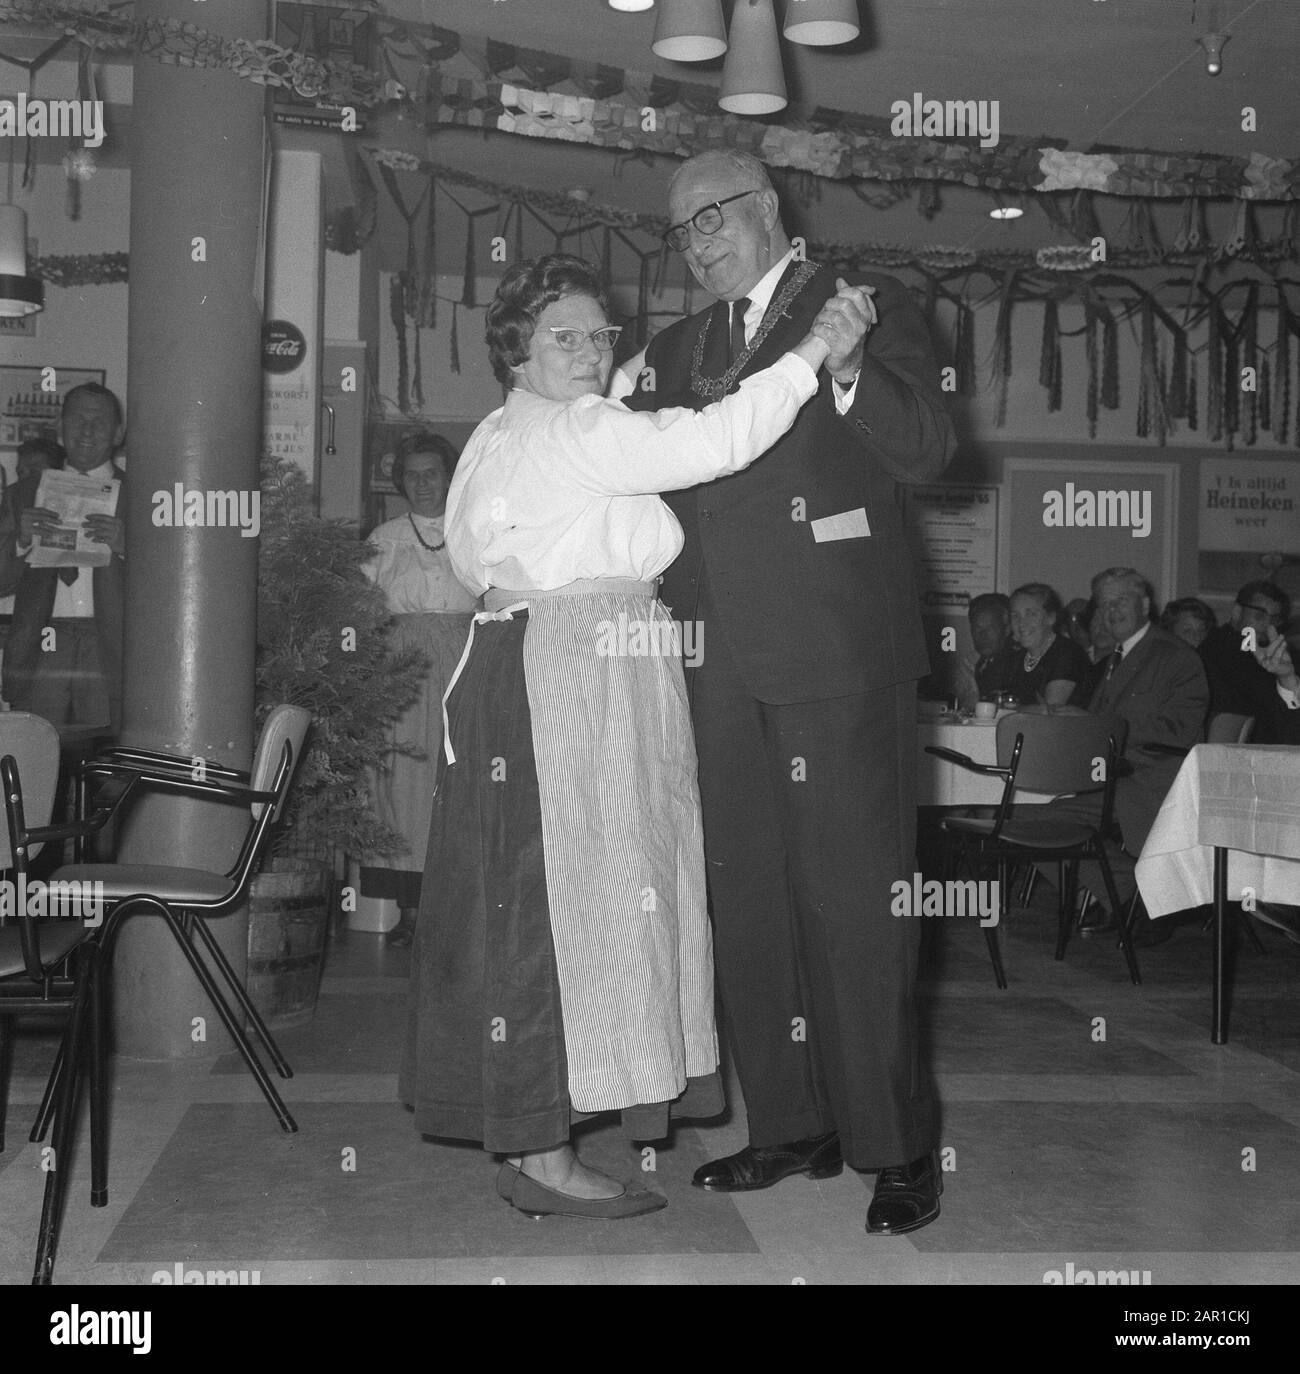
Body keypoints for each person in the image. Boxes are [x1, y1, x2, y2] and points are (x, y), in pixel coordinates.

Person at [399, 252, 855, 1220]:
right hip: (581, 673)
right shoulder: (578, 429)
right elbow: (715, 442)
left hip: (517, 667)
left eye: (596, 335)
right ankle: (546, 1158)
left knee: (526, 908)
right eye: (560, 334)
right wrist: (813, 349)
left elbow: (489, 548)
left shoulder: (491, 434)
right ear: (516, 348)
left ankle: (530, 1137)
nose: (586, 350)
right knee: (575, 907)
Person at [617, 150, 955, 1235]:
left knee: (857, 907)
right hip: (713, 663)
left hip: (837, 658)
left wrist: (850, 371)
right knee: (747, 904)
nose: (698, 242)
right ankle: (789, 1124)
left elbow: (931, 451)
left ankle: (894, 1145)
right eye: (681, 232)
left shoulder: (860, 306)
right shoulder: (670, 351)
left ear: (766, 209)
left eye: (712, 218)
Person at [361, 432, 477, 947]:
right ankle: (410, 912)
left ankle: (454, 912)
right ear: (399, 481)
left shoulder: (473, 531)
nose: (423, 483)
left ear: (451, 477)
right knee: (402, 781)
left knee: (454, 778)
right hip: (401, 669)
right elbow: (361, 607)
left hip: (463, 663)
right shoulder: (384, 538)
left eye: (433, 472)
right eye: (413, 474)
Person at [1052, 567, 1209, 937]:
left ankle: (1139, 903)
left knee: (1056, 827)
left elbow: (1181, 731)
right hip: (1106, 780)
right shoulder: (1110, 661)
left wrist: (1099, 724)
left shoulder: (1175, 657)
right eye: (1103, 604)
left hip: (1151, 781)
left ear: (1144, 604)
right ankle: (1134, 895)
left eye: (1119, 600)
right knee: (1033, 824)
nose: (1110, 611)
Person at [2, 384, 125, 733]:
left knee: (109, 762)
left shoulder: (142, 495)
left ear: (118, 433)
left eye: (99, 421)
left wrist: (125, 543)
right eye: (77, 420)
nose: (87, 430)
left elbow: (169, 585)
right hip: (42, 641)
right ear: (60, 427)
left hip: (109, 647)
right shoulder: (21, 493)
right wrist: (21, 540)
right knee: (37, 759)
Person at [1199, 581, 1291, 743]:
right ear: (1237, 612)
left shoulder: (1280, 653)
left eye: (1274, 619)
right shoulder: (1219, 650)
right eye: (1259, 616)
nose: (1267, 624)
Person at [1002, 582, 1091, 706]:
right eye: (1015, 616)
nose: (1021, 623)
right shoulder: (1017, 656)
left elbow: (1049, 713)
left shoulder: (1067, 654)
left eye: (1031, 614)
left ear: (1051, 618)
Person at [953, 592, 1018, 710]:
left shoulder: (1017, 662)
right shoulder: (979, 662)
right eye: (977, 628)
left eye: (990, 628)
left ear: (1007, 628)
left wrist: (973, 700)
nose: (983, 635)